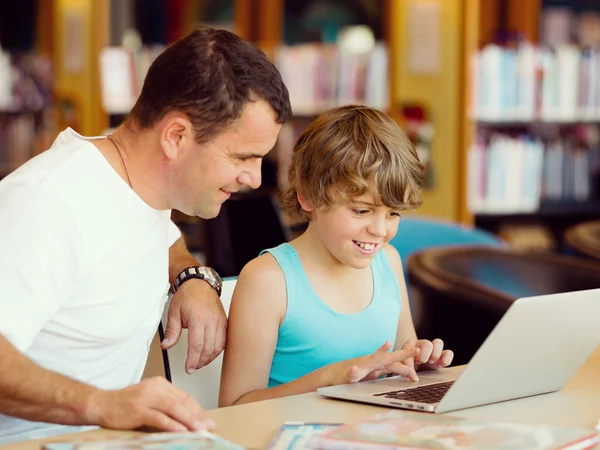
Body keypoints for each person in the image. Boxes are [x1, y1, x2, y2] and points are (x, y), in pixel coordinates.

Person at [0, 27, 292, 443]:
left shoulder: (138, 187)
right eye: (243, 156)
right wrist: (104, 405)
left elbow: (154, 231)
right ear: (176, 136)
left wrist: (192, 276)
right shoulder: (47, 204)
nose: (253, 177)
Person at [219, 105, 453, 407]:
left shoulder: (388, 261)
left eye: (393, 213)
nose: (379, 230)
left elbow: (403, 354)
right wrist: (330, 378)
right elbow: (233, 408)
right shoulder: (268, 280)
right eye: (361, 211)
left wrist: (419, 361)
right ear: (307, 196)